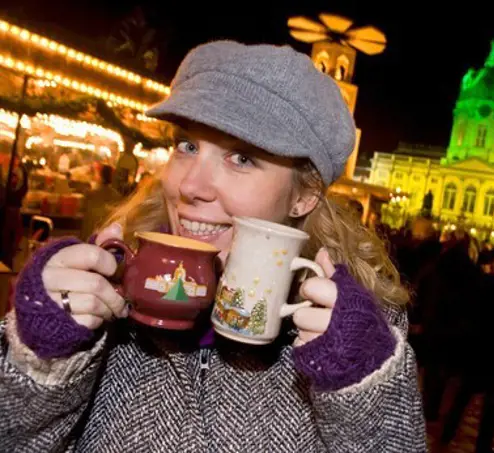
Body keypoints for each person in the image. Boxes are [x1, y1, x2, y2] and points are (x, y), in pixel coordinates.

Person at [0, 41, 425, 452]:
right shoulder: (101, 290)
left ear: (305, 195)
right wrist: (40, 358)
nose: (188, 185)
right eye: (187, 146)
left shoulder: (358, 333)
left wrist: (365, 389)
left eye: (241, 158)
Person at [80, 164, 122, 241]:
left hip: (88, 239)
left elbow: (82, 209)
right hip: (105, 241)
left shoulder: (90, 195)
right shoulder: (117, 196)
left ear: (100, 176)